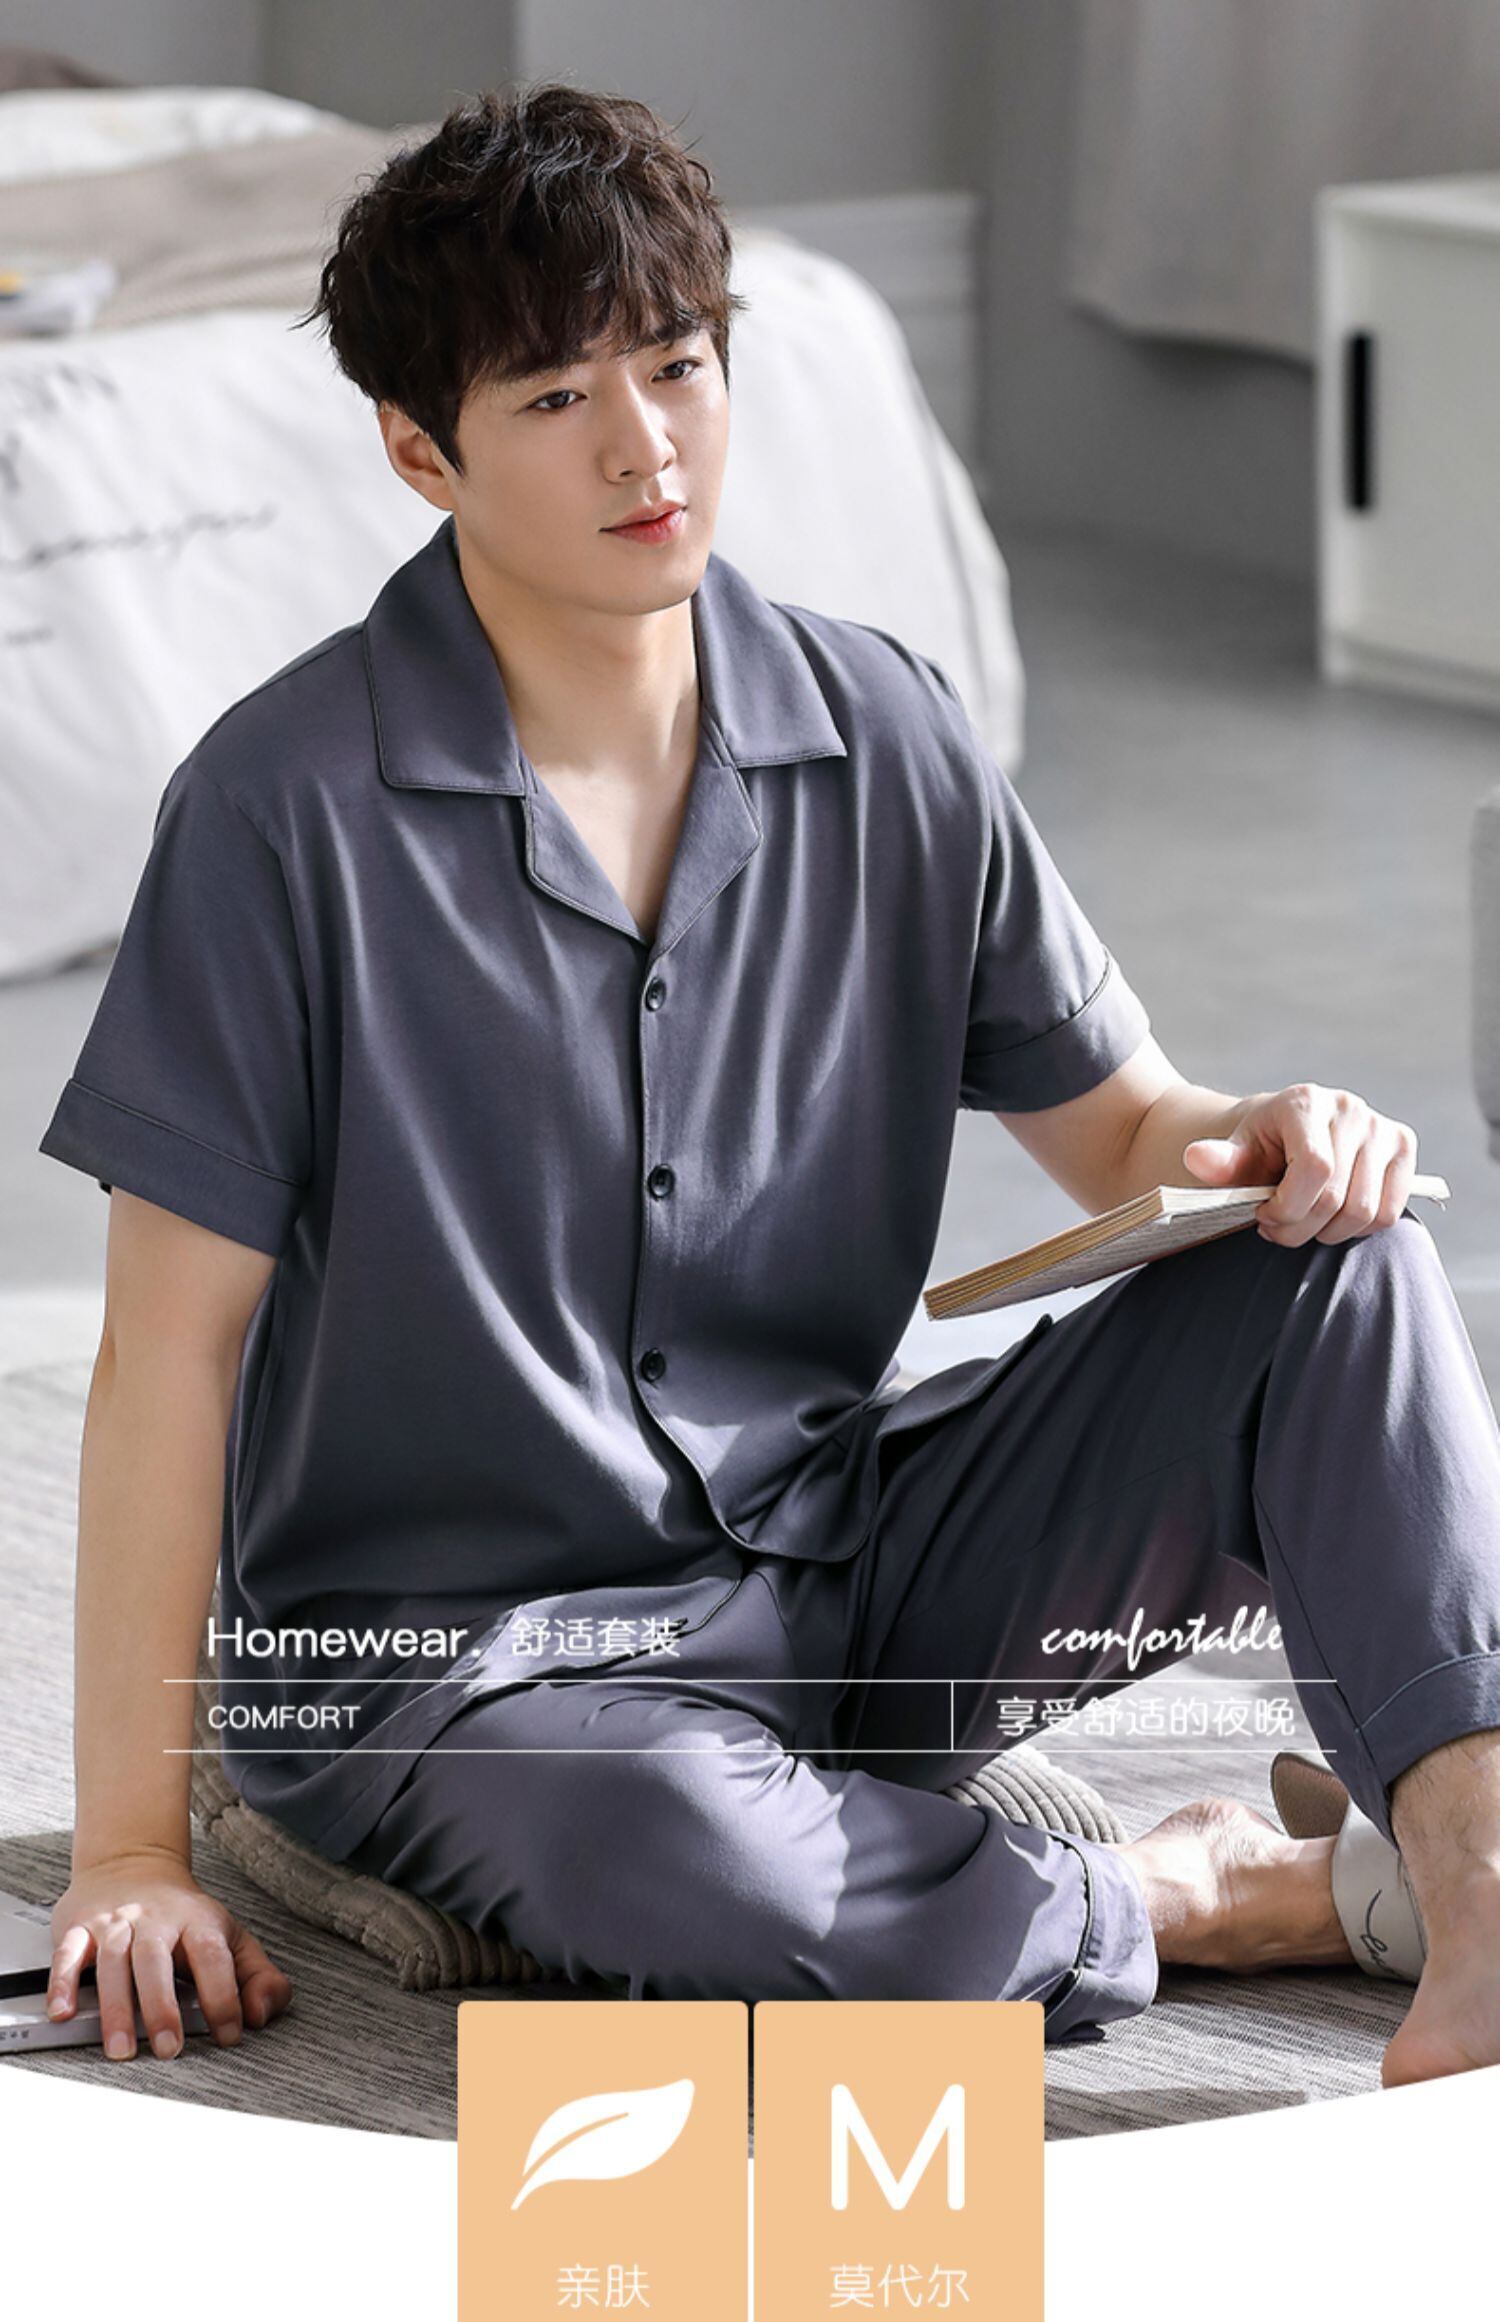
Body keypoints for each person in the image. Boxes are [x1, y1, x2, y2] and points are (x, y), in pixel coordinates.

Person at [36, 82, 1500, 2086]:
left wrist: (1265, 1140)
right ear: (417, 447)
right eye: (556, 396)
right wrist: (129, 1851)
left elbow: (1125, 1129)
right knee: (660, 1844)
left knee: (1352, 1275)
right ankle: (1201, 1894)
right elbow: (167, 1352)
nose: (644, 444)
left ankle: (1477, 1902)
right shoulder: (279, 813)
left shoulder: (885, 729)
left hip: (850, 1574)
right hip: (471, 1680)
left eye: (677, 362)